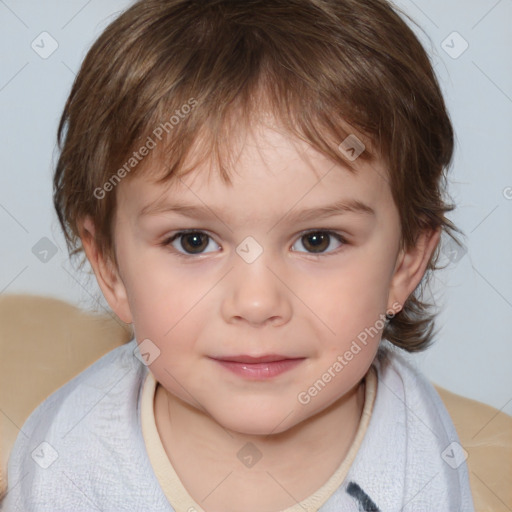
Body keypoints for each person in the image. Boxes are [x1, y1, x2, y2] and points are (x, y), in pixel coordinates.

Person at [1, 0, 475, 510]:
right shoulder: (68, 453)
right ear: (110, 267)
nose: (255, 303)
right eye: (194, 241)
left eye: (317, 240)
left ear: (405, 263)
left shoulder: (417, 447)